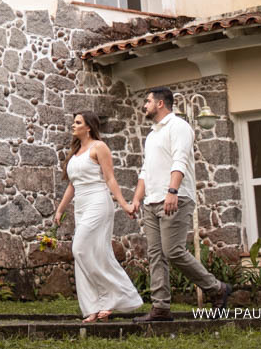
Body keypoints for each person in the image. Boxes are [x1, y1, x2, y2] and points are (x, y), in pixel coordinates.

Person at [128, 87, 232, 322]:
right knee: (155, 255)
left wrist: (172, 191)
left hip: (175, 198)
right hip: (152, 201)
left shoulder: (179, 127)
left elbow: (180, 159)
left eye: (148, 101)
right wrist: (137, 198)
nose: (145, 106)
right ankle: (161, 308)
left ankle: (216, 289)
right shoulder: (152, 134)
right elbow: (146, 170)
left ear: (161, 104)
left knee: (173, 251)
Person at [54, 111, 143, 323]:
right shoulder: (75, 153)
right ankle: (92, 307)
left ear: (89, 127)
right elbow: (72, 185)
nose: (73, 125)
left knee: (79, 247)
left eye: (77, 122)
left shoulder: (99, 147)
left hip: (98, 202)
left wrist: (124, 204)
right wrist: (60, 210)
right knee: (90, 253)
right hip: (81, 206)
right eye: (73, 122)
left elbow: (110, 178)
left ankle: (113, 294)